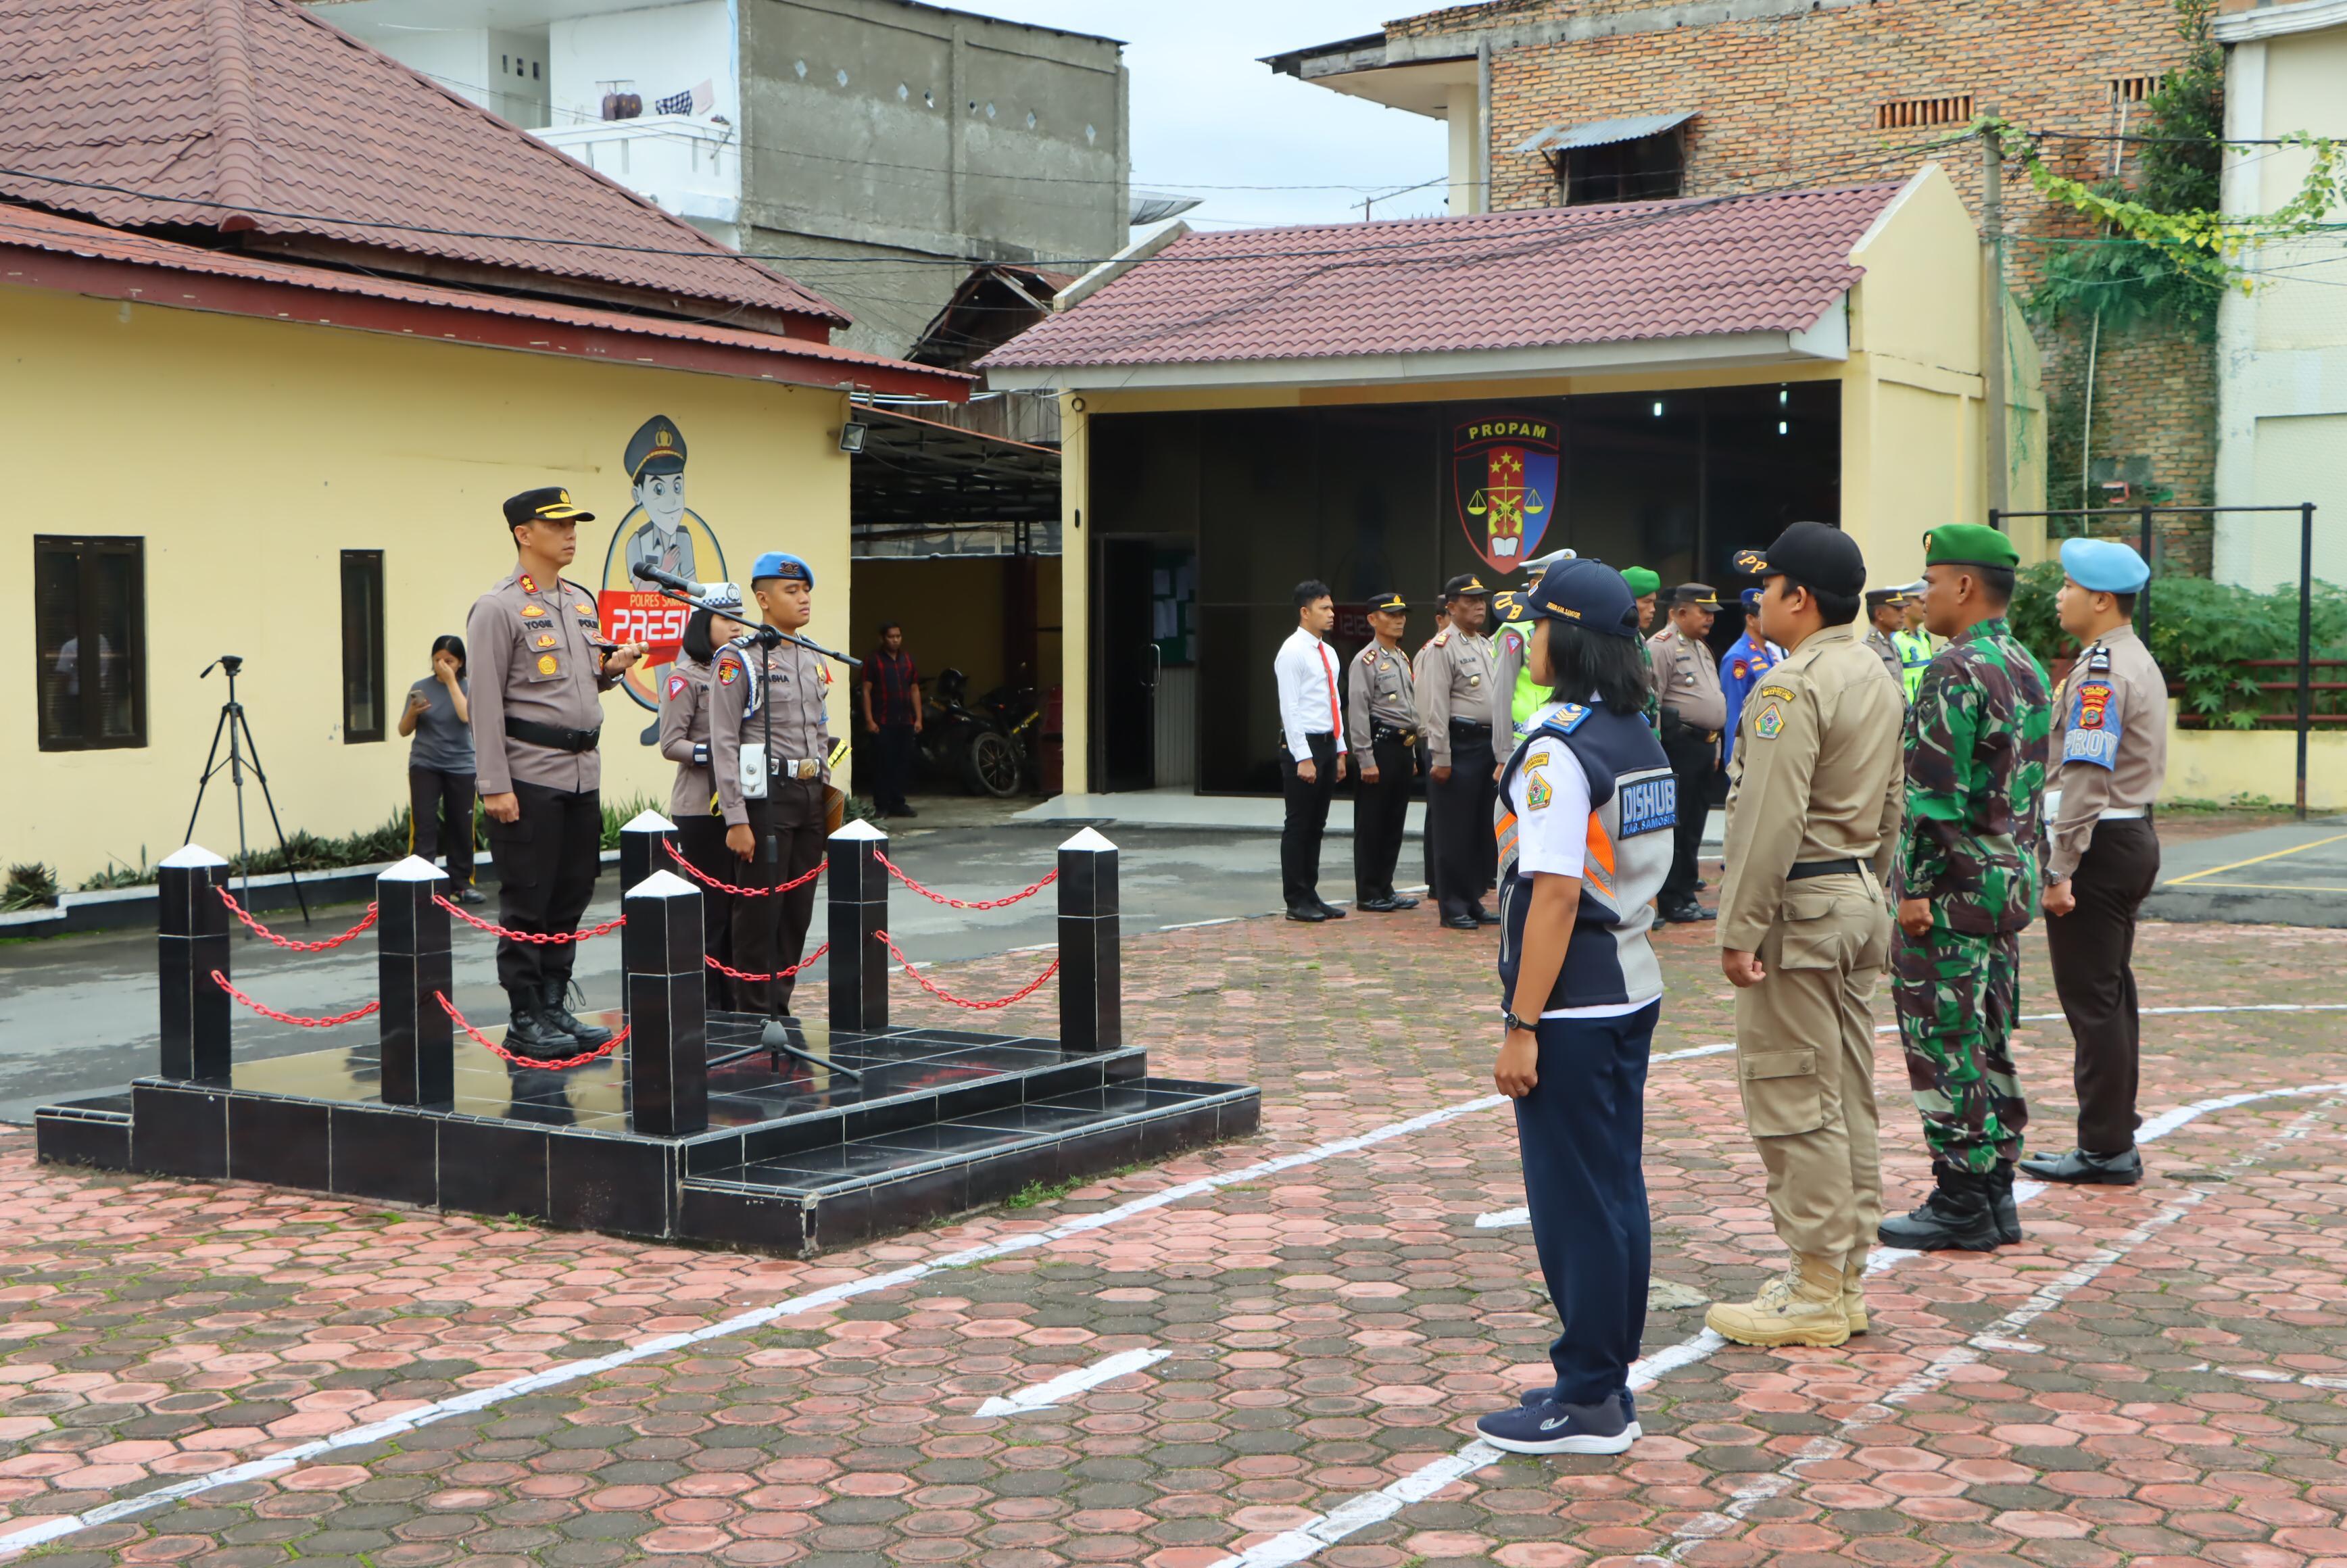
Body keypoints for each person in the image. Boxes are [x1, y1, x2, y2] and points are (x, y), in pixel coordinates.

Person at [1474, 557, 1675, 1456]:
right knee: (1614, 1190)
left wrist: (1521, 1024)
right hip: (1630, 983)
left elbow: (1553, 894)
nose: (1526, 639)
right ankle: (1604, 1377)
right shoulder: (1637, 733)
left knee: (1575, 1206)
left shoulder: (1560, 748)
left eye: (1536, 624)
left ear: (1571, 636)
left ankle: (1589, 1396)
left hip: (1572, 1003)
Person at [1705, 523, 1904, 1348]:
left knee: (1795, 1094)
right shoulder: (1875, 671)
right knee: (1845, 1090)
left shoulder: (1791, 683)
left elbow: (1767, 817)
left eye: (1769, 586)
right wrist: (1870, 886)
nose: (1759, 600)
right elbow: (1890, 802)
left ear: (1801, 597)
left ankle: (1816, 1286)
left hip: (1803, 901)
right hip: (1854, 890)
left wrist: (1739, 926)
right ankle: (1842, 1278)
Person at [1882, 524, 2051, 1252]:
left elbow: (1932, 797)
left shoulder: (1955, 668)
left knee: (1942, 1039)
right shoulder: (2026, 665)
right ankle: (1995, 1190)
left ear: (1963, 585)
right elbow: (2033, 790)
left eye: (1929, 582)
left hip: (1952, 892)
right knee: (1987, 1037)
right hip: (2004, 884)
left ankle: (1961, 1200)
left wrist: (1914, 890)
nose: (1922, 596)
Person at [466, 487, 646, 1056]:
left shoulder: (579, 601)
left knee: (571, 895)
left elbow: (579, 680)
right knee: (529, 899)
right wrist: (494, 785)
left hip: (581, 773)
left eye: (574, 525)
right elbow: (486, 703)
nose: (571, 534)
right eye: (558, 525)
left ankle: (552, 1006)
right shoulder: (496, 608)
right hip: (529, 777)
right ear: (524, 534)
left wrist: (611, 670)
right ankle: (524, 1016)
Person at [2023, 539, 2167, 1187]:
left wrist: (2061, 869)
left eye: (2070, 587)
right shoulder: (2127, 658)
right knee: (2111, 994)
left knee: (2093, 1001)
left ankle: (2106, 1147)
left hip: (2098, 847)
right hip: (2123, 837)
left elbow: (2085, 775)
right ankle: (2113, 1132)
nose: (2061, 596)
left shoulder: (2102, 672)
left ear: (2101, 600)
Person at [708, 552, 834, 1018]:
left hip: (808, 794)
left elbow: (820, 731)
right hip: (766, 796)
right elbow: (723, 741)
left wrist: (826, 795)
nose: (803, 599)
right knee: (760, 911)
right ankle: (753, 1012)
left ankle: (779, 1005)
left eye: (806, 591)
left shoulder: (812, 655)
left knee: (798, 910)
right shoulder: (739, 658)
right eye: (791, 591)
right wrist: (736, 818)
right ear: (763, 600)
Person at [660, 583, 750, 1009]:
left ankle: (736, 998)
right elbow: (670, 743)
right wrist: (712, 752)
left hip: (741, 805)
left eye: (740, 619)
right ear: (702, 624)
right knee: (712, 910)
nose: (736, 627)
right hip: (700, 807)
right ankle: (709, 1004)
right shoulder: (685, 678)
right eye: (725, 619)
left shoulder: (742, 670)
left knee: (739, 908)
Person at [1418, 574, 1500, 929]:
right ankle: (1452, 906)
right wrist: (1440, 756)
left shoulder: (1484, 644)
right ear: (1451, 607)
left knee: (1479, 828)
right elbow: (1434, 707)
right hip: (1458, 744)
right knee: (1453, 830)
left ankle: (1472, 898)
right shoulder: (1442, 647)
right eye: (1471, 600)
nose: (1480, 606)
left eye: (1482, 599)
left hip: (1486, 745)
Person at [1648, 584, 1725, 923]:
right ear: (1680, 613)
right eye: (1703, 612)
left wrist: (1716, 746)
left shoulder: (1701, 648)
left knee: (1695, 825)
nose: (1710, 618)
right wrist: (1656, 754)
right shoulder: (1661, 646)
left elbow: (1713, 697)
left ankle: (1686, 893)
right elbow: (1652, 702)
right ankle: (1671, 898)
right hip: (1678, 746)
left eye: (1712, 613)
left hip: (1704, 746)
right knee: (1676, 827)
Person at [1275, 580, 1349, 921]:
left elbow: (1334, 703)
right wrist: (1302, 756)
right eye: (1324, 608)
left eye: (1332, 607)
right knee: (1299, 823)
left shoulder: (1328, 652)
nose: (1331, 614)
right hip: (1302, 744)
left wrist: (1340, 750)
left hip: (1327, 743)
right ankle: (1296, 899)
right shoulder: (1292, 651)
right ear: (1305, 612)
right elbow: (1290, 708)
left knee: (1317, 824)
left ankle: (1311, 893)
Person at [1346, 591, 1420, 913]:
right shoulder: (1366, 660)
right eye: (1391, 615)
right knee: (1372, 823)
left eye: (1402, 614)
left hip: (1402, 748)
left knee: (1393, 822)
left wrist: (1412, 755)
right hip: (1380, 748)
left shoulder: (1401, 657)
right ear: (1373, 619)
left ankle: (1385, 886)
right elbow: (1359, 712)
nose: (1399, 620)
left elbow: (1410, 709)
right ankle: (1368, 891)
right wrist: (1365, 759)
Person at [400, 634, 485, 904]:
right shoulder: (420, 687)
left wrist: (450, 682)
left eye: (449, 661)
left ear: (460, 662)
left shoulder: (469, 687)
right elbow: (403, 730)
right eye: (437, 660)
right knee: (424, 825)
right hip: (425, 763)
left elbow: (466, 716)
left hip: (461, 765)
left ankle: (461, 884)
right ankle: (421, 883)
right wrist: (414, 712)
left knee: (461, 825)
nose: (442, 665)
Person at [621, 415, 698, 583]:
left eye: (677, 487)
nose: (672, 501)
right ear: (637, 495)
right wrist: (664, 569)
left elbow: (693, 587)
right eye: (659, 489)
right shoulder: (636, 542)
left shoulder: (683, 538)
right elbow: (640, 590)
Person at [861, 621, 923, 819]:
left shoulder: (907, 660)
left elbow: (914, 689)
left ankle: (898, 803)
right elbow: (866, 691)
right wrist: (869, 720)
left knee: (902, 764)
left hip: (905, 721)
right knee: (883, 764)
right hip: (883, 721)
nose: (895, 640)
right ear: (882, 638)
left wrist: (918, 718)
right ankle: (882, 806)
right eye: (891, 637)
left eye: (898, 636)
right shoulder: (873, 661)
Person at [1414, 597, 1453, 903]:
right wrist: (1431, 741)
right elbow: (1426, 701)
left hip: (1454, 739)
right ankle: (1436, 881)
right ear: (1440, 618)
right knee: (1438, 814)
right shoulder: (1431, 651)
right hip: (1436, 738)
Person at [1718, 588, 1782, 769]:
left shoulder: (1770, 653)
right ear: (1751, 619)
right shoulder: (1739, 657)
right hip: (1749, 746)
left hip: (1770, 739)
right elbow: (1733, 711)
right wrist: (1732, 763)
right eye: (1765, 616)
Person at [1893, 590, 1937, 702]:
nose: (1925, 606)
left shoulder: (1924, 637)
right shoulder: (1895, 639)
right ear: (1906, 607)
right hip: (1907, 708)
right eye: (1921, 602)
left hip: (1926, 705)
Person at [1862, 589, 1906, 685]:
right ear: (1879, 614)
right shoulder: (1870, 646)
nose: (1904, 614)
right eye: (1898, 609)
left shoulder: (1890, 642)